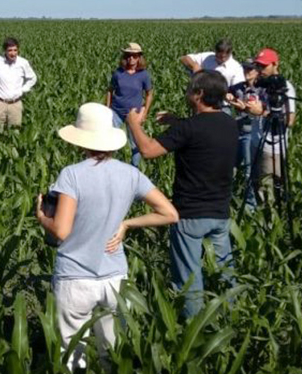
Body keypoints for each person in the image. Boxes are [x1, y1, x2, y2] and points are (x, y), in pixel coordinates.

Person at [35, 103, 177, 370]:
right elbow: (169, 213)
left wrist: (42, 217)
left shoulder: (72, 175)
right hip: (115, 277)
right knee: (112, 355)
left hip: (75, 277)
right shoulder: (130, 173)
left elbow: (61, 231)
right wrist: (127, 223)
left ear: (80, 140)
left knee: (72, 356)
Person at [127, 70, 238, 318]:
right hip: (221, 213)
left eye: (190, 88)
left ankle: (193, 330)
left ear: (198, 94)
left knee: (189, 280)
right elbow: (203, 134)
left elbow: (147, 151)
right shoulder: (230, 124)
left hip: (189, 215)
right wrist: (177, 122)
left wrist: (133, 124)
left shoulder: (189, 128)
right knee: (225, 273)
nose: (187, 92)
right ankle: (233, 319)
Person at [250, 48, 296, 202]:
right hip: (256, 141)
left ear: (275, 64)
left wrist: (261, 113)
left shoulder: (285, 88)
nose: (260, 70)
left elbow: (290, 121)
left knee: (268, 190)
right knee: (257, 184)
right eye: (258, 66)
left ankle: (270, 220)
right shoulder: (262, 84)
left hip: (272, 148)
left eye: (263, 66)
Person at [106, 42, 153, 167]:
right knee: (112, 141)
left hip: (134, 113)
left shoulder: (143, 75)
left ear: (139, 57)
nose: (131, 58)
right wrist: (108, 108)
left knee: (135, 143)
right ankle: (112, 166)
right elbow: (110, 91)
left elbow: (149, 94)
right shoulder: (118, 73)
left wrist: (144, 113)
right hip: (116, 112)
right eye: (128, 56)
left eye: (134, 56)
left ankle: (134, 169)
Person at [226, 60, 265, 209]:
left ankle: (251, 205)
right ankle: (230, 198)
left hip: (251, 133)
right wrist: (228, 96)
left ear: (257, 72)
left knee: (249, 171)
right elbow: (225, 91)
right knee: (230, 167)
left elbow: (263, 109)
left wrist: (246, 108)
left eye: (250, 69)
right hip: (236, 131)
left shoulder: (261, 90)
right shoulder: (238, 87)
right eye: (245, 68)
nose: (247, 71)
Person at [0, 37, 37, 127]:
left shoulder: (23, 63)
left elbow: (32, 78)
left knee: (15, 132)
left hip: (15, 104)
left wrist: (23, 89)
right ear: (5, 51)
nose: (13, 53)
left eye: (15, 50)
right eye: (10, 50)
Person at [180, 38, 245, 87]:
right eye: (219, 56)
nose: (222, 59)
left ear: (230, 53)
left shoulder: (236, 68)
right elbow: (184, 58)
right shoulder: (208, 57)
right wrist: (195, 66)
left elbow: (238, 89)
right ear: (215, 52)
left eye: (225, 57)